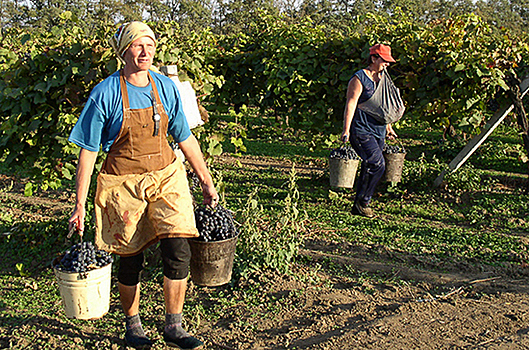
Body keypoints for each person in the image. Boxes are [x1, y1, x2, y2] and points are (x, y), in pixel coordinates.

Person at [68, 21, 217, 350]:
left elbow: (185, 137)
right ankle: (133, 324)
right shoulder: (105, 93)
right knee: (130, 256)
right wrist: (79, 204)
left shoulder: (165, 87)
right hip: (123, 182)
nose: (145, 51)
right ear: (124, 52)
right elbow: (89, 151)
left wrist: (205, 180)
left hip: (166, 176)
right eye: (138, 45)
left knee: (178, 249)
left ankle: (173, 325)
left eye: (150, 44)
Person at [341, 44, 399, 218]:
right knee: (377, 163)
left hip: (378, 130)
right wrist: (346, 130)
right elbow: (351, 104)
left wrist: (389, 126)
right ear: (374, 58)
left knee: (370, 165)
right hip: (361, 129)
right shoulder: (359, 79)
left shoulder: (383, 79)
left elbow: (382, 106)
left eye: (388, 62)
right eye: (384, 61)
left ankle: (358, 204)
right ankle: (364, 201)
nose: (387, 65)